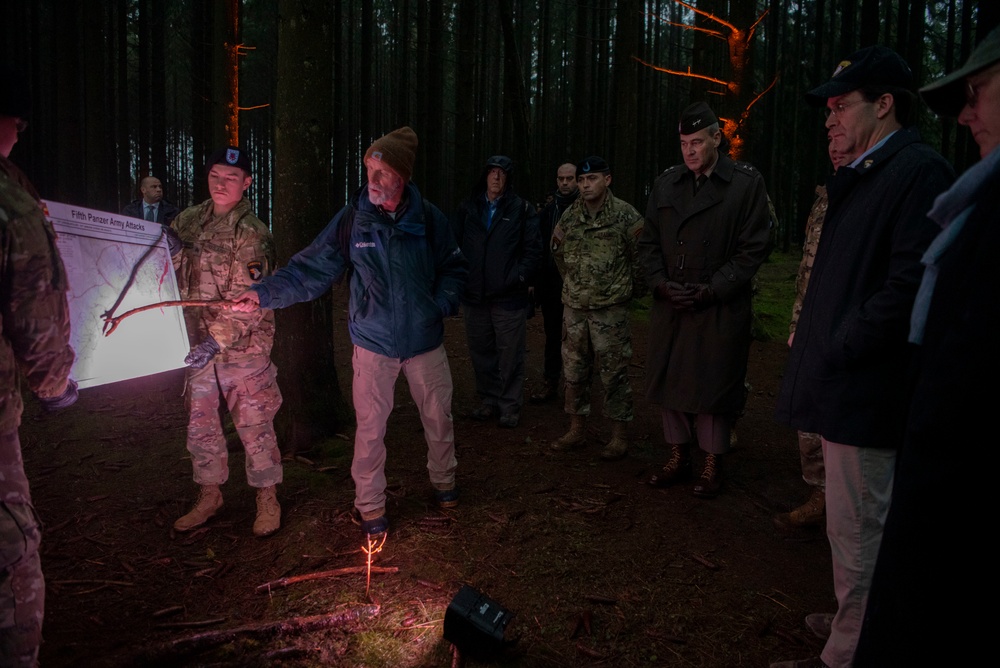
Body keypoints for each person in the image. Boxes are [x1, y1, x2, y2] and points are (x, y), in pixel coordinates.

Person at [771, 46, 954, 668]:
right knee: (847, 524)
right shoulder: (866, 173)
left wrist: (842, 339)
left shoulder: (918, 172)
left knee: (861, 530)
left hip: (867, 390)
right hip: (843, 383)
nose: (829, 119)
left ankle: (849, 653)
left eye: (841, 105)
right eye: (827, 108)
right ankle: (854, 618)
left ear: (885, 105)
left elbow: (909, 285)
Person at [233, 127, 468, 539]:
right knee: (371, 430)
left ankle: (444, 484)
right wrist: (263, 294)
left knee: (439, 419)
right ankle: (371, 507)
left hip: (425, 344)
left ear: (403, 176)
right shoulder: (352, 221)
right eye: (368, 169)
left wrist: (441, 305)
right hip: (373, 345)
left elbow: (453, 268)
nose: (372, 180)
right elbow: (310, 270)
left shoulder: (430, 219)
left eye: (382, 171)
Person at [853, 26, 1000, 666]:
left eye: (979, 91)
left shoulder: (919, 175)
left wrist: (846, 337)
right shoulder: (977, 205)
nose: (966, 113)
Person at [640, 102, 771, 497]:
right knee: (670, 380)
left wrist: (715, 288)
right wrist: (661, 285)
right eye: (683, 143)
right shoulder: (666, 184)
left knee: (714, 384)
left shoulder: (745, 184)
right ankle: (678, 455)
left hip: (718, 304)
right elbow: (648, 245)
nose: (690, 150)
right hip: (673, 302)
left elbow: (754, 248)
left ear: (717, 137)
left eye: (697, 141)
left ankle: (713, 461)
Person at [1, 64, 78, 666]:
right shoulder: (11, 200)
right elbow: (35, 300)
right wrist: (53, 385)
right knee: (12, 558)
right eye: (16, 122)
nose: (19, 134)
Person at [170, 146, 284, 538]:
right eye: (215, 175)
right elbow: (162, 273)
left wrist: (215, 342)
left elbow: (250, 303)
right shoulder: (187, 221)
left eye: (231, 178)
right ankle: (209, 494)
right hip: (196, 343)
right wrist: (164, 253)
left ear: (246, 183)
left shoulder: (252, 233)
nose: (221, 183)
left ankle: (267, 496)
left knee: (254, 424)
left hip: (243, 349)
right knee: (200, 423)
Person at [549, 156, 643, 461]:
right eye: (582, 180)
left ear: (608, 180)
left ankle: (619, 435)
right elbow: (558, 253)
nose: (585, 185)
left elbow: (641, 259)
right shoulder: (569, 217)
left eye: (592, 179)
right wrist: (575, 285)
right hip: (574, 309)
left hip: (610, 311)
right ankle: (577, 429)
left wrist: (623, 291)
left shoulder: (626, 216)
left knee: (613, 373)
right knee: (574, 370)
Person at [773, 144, 845, 533]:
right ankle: (819, 494)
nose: (834, 146)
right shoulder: (824, 196)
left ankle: (844, 502)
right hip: (807, 317)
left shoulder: (869, 193)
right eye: (829, 141)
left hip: (843, 324)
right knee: (807, 413)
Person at [452, 156, 540, 428]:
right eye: (491, 172)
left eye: (502, 173)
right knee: (481, 350)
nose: (496, 178)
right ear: (484, 175)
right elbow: (454, 245)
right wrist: (461, 278)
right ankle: (489, 399)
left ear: (508, 178)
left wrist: (518, 276)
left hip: (509, 296)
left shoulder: (522, 209)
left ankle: (510, 405)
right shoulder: (468, 208)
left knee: (510, 352)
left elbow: (533, 250)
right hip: (475, 294)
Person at [529, 162, 578, 403]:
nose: (565, 183)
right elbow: (539, 248)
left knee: (578, 339)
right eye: (561, 178)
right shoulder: (548, 213)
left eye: (570, 178)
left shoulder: (584, 208)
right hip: (551, 285)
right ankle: (551, 383)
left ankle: (575, 388)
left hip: (579, 286)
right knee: (552, 335)